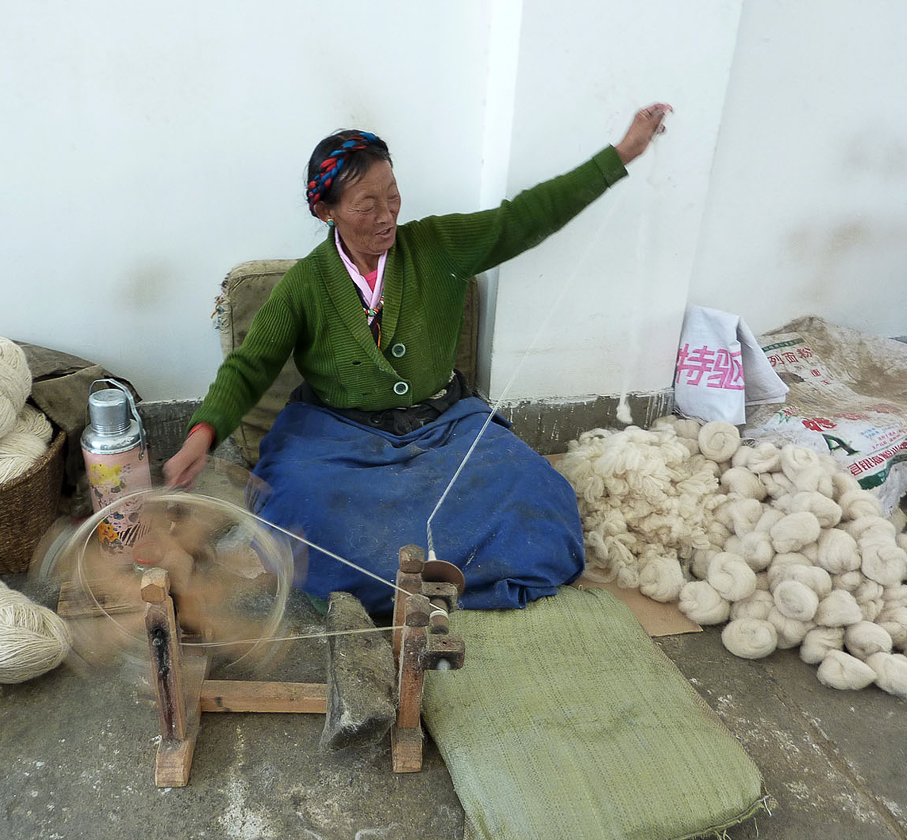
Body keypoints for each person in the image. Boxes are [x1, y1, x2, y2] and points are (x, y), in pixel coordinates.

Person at [164, 104, 672, 613]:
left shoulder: (438, 246)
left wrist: (621, 154)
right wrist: (201, 435)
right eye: (366, 205)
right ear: (327, 210)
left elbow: (523, 218)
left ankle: (412, 582)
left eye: (392, 196)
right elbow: (250, 365)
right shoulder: (305, 285)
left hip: (444, 425)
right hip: (336, 440)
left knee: (540, 500)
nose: (386, 216)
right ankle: (430, 576)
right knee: (296, 518)